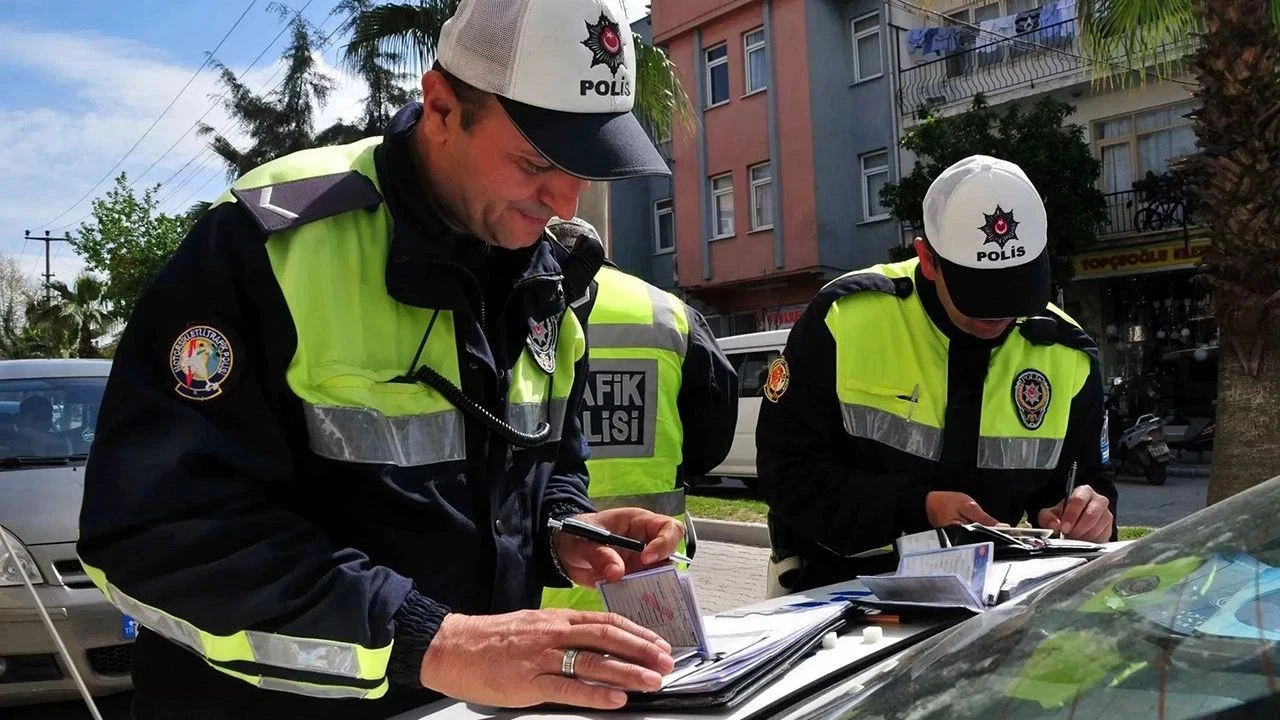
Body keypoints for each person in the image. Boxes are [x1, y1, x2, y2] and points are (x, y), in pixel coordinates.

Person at [75, 1, 688, 717]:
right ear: (441, 108)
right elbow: (156, 534)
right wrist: (436, 643)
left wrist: (563, 530)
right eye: (535, 162)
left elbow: (545, 464)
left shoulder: (546, 274)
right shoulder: (268, 244)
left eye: (584, 169)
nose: (563, 200)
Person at [756, 155, 1117, 594]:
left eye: (1016, 287)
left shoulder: (1067, 353)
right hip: (837, 588)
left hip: (989, 597)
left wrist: (1087, 514)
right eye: (980, 292)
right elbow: (785, 474)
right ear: (928, 258)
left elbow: (1089, 483)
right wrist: (918, 507)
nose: (999, 313)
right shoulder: (845, 319)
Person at [540, 217, 739, 611]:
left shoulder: (519, 306)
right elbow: (712, 439)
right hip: (647, 578)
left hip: (541, 588)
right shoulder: (670, 312)